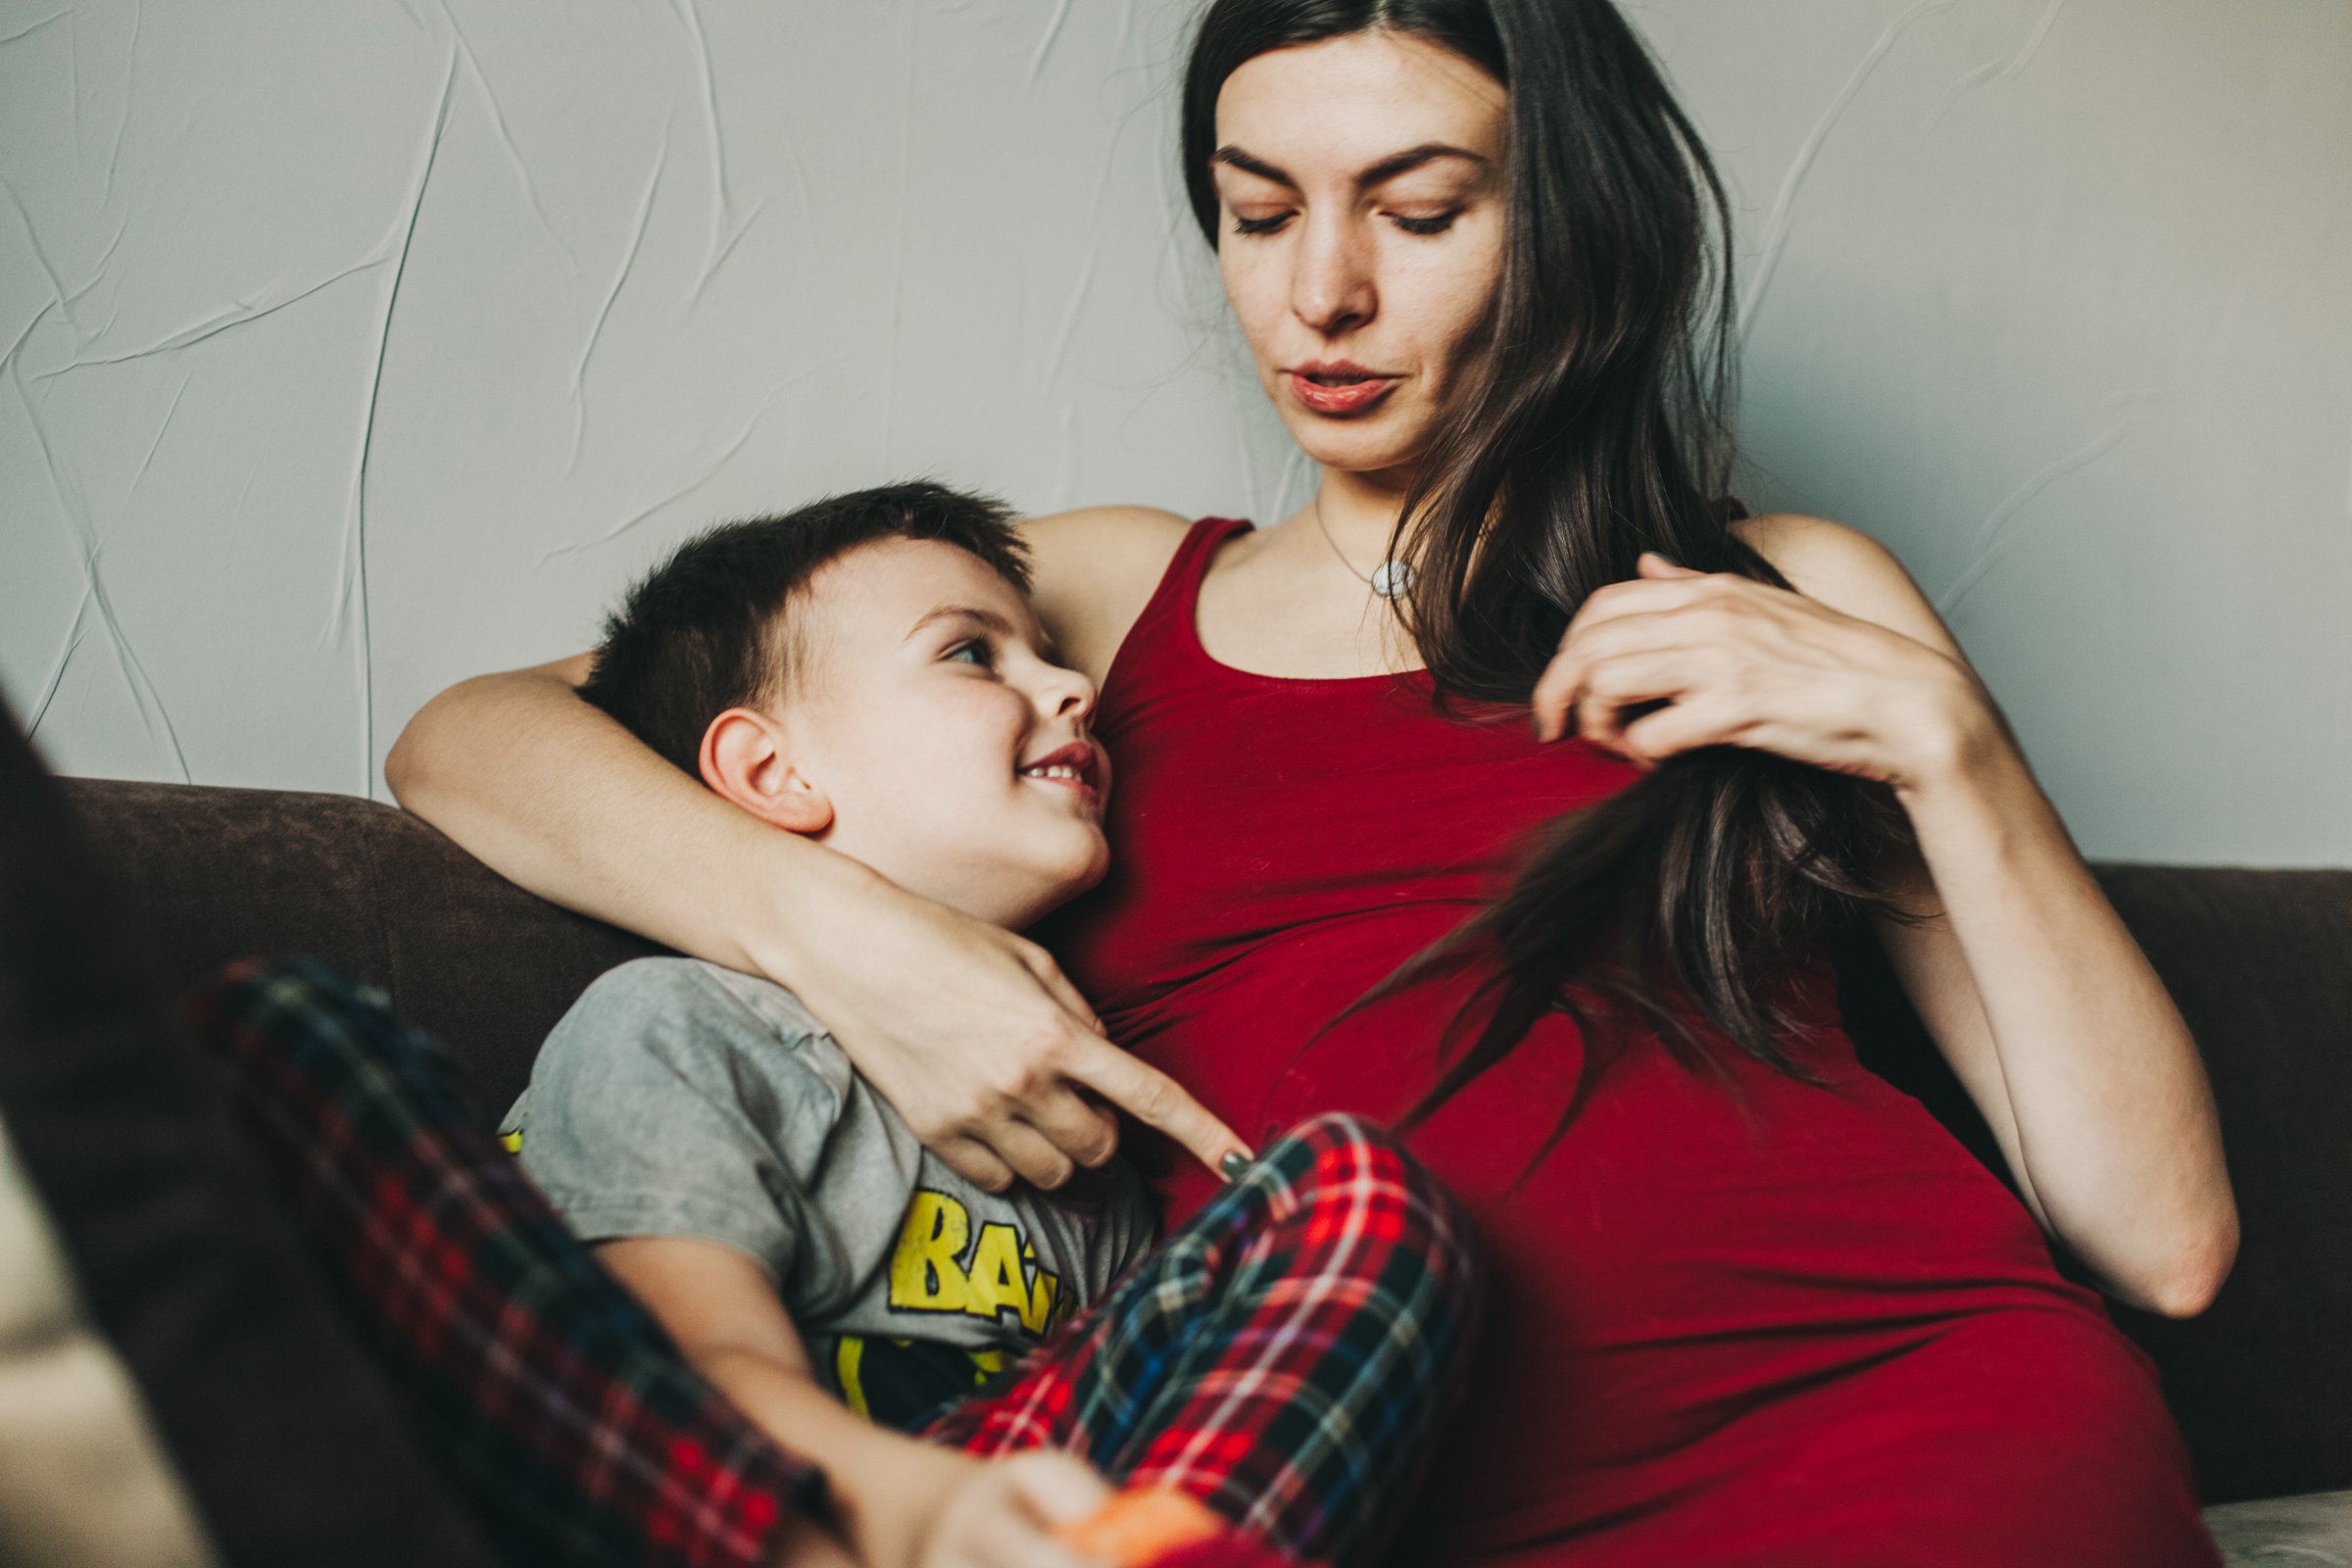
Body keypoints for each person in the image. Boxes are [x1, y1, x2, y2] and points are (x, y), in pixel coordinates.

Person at [388, 2, 2238, 1563]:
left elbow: (2162, 1243)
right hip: (1353, 1475)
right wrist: (852, 942)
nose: (1323, 293)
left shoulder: (1792, 589)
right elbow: (467, 740)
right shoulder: (1099, 604)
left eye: (1419, 211)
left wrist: (1950, 748)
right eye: (1256, 213)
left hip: (1925, 1428)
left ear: (1568, 226)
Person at [499, 480, 1476, 1564]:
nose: (1071, 685)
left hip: (1026, 1518)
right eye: (972, 654)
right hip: (759, 1509)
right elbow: (680, 1377)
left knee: (1354, 1198)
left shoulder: (1076, 1137)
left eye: (1054, 650)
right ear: (773, 771)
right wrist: (921, 1512)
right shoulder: (681, 1032)